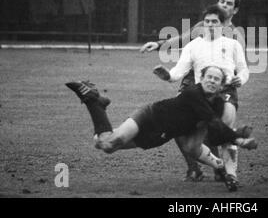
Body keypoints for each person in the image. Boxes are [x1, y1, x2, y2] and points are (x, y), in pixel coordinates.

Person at [65, 66, 257, 191]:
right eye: (209, 77)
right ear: (201, 78)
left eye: (217, 79)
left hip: (158, 137)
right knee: (108, 143)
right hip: (149, 117)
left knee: (102, 143)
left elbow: (214, 134)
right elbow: (214, 122)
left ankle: (99, 103)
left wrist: (234, 136)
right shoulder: (193, 93)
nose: (212, 81)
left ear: (222, 85)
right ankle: (92, 98)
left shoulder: (218, 105)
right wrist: (239, 138)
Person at [153, 5, 249, 191]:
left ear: (222, 25)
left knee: (224, 129)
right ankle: (218, 166)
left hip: (226, 92)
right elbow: (177, 73)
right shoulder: (193, 46)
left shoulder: (232, 44)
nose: (211, 25)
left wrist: (241, 79)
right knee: (188, 143)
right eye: (207, 22)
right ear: (203, 24)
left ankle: (232, 176)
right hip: (200, 97)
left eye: (215, 22)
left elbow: (244, 69)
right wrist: (167, 76)